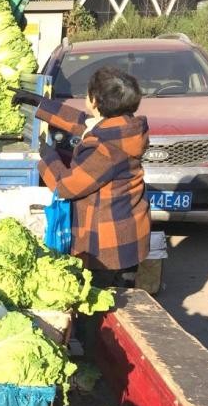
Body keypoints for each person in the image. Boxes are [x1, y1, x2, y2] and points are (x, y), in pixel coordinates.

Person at [16, 66, 151, 287]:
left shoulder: (105, 147)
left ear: (95, 101)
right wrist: (40, 103)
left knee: (100, 302)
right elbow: (85, 123)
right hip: (129, 234)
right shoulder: (127, 127)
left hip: (107, 246)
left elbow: (65, 187)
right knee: (120, 294)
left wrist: (48, 157)